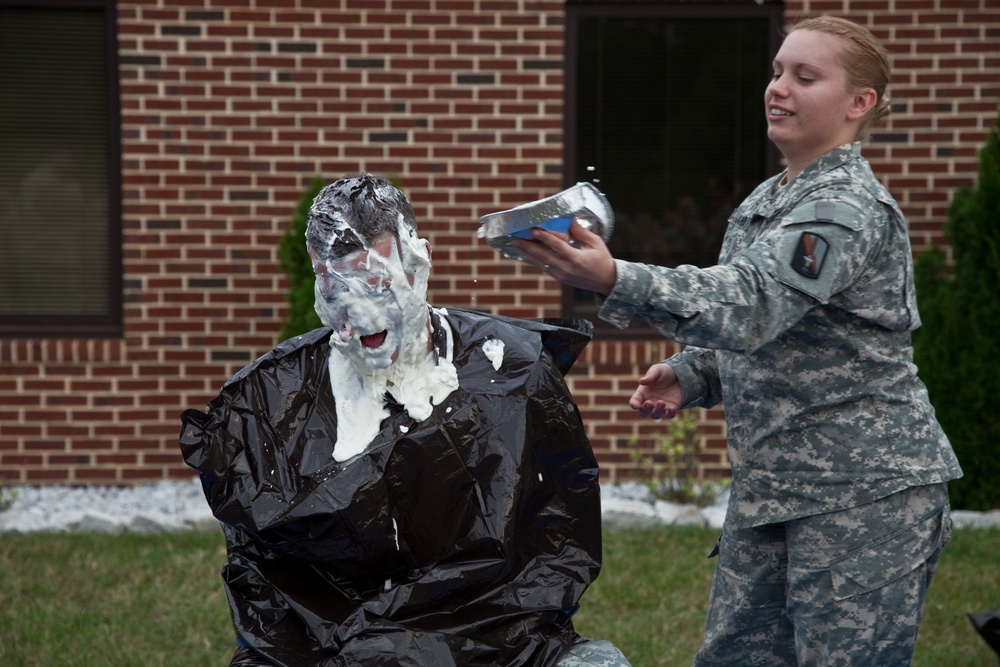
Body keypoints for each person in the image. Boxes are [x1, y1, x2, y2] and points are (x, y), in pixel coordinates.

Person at [511, 16, 962, 667]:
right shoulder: (766, 201)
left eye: (805, 76)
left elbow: (751, 302)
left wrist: (614, 277)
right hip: (772, 489)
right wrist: (695, 373)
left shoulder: (846, 207)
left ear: (858, 103)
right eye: (777, 70)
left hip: (863, 494)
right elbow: (769, 332)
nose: (778, 87)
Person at [180, 173, 632, 666]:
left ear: (418, 260)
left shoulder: (510, 369)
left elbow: (557, 547)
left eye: (372, 283)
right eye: (331, 287)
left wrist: (431, 645)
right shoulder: (271, 401)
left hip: (498, 641)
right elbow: (265, 586)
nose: (352, 317)